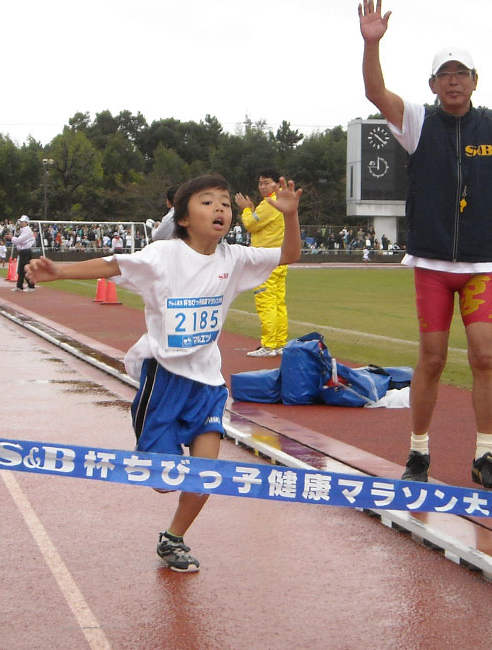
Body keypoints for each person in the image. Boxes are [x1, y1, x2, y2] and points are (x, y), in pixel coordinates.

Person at [25, 174, 302, 572]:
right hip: (164, 378)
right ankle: (154, 450)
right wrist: (59, 271)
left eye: (224, 202)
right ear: (184, 218)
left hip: (208, 383)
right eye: (207, 202)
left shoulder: (235, 259)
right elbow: (111, 264)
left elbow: (288, 255)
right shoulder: (162, 255)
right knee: (164, 478)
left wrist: (290, 217)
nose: (220, 209)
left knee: (206, 474)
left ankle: (174, 538)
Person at [359, 0, 492, 488]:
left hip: (482, 264)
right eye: (444, 75)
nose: (453, 81)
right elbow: (375, 91)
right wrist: (372, 43)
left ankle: (485, 455)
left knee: (484, 355)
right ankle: (418, 452)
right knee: (432, 359)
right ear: (432, 85)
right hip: (432, 264)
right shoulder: (417, 121)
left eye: (461, 74)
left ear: (475, 81)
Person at [236, 169, 289, 358]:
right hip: (279, 258)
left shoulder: (269, 204)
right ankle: (279, 343)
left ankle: (269, 345)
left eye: (266, 182)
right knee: (278, 303)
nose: (262, 187)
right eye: (260, 183)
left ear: (276, 184)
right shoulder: (282, 201)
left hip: (265, 260)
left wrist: (246, 209)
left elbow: (250, 224)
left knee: (266, 302)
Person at [11, 215, 36, 292]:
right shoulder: (23, 230)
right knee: (21, 269)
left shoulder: (27, 231)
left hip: (26, 252)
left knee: (26, 269)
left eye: (22, 222)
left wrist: (12, 238)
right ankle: (19, 285)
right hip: (22, 252)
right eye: (20, 222)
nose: (20, 223)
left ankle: (31, 286)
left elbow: (20, 240)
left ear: (26, 223)